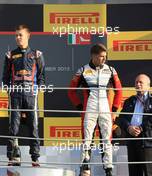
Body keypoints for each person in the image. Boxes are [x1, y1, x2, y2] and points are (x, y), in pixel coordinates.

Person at [68, 43, 122, 176]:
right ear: (93, 56)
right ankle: (85, 168)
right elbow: (71, 91)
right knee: (87, 139)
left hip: (105, 109)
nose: (104, 59)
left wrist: (114, 110)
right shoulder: (82, 70)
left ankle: (108, 170)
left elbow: (119, 91)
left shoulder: (111, 70)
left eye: (105, 56)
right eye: (101, 57)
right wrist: (81, 107)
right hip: (90, 109)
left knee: (106, 139)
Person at [2, 24, 45, 167]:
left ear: (28, 36)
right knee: (13, 126)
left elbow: (41, 76)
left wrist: (37, 89)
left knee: (33, 126)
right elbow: (5, 76)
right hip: (15, 94)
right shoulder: (10, 54)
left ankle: (35, 158)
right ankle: (13, 156)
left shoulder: (37, 54)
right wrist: (10, 89)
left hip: (31, 94)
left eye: (20, 35)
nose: (18, 37)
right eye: (16, 35)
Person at [116, 74, 152, 176]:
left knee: (148, 172)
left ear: (148, 85)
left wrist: (141, 128)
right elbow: (121, 119)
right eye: (136, 82)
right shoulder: (129, 101)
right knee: (134, 172)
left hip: (147, 142)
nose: (138, 84)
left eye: (141, 82)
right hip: (132, 140)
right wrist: (128, 127)